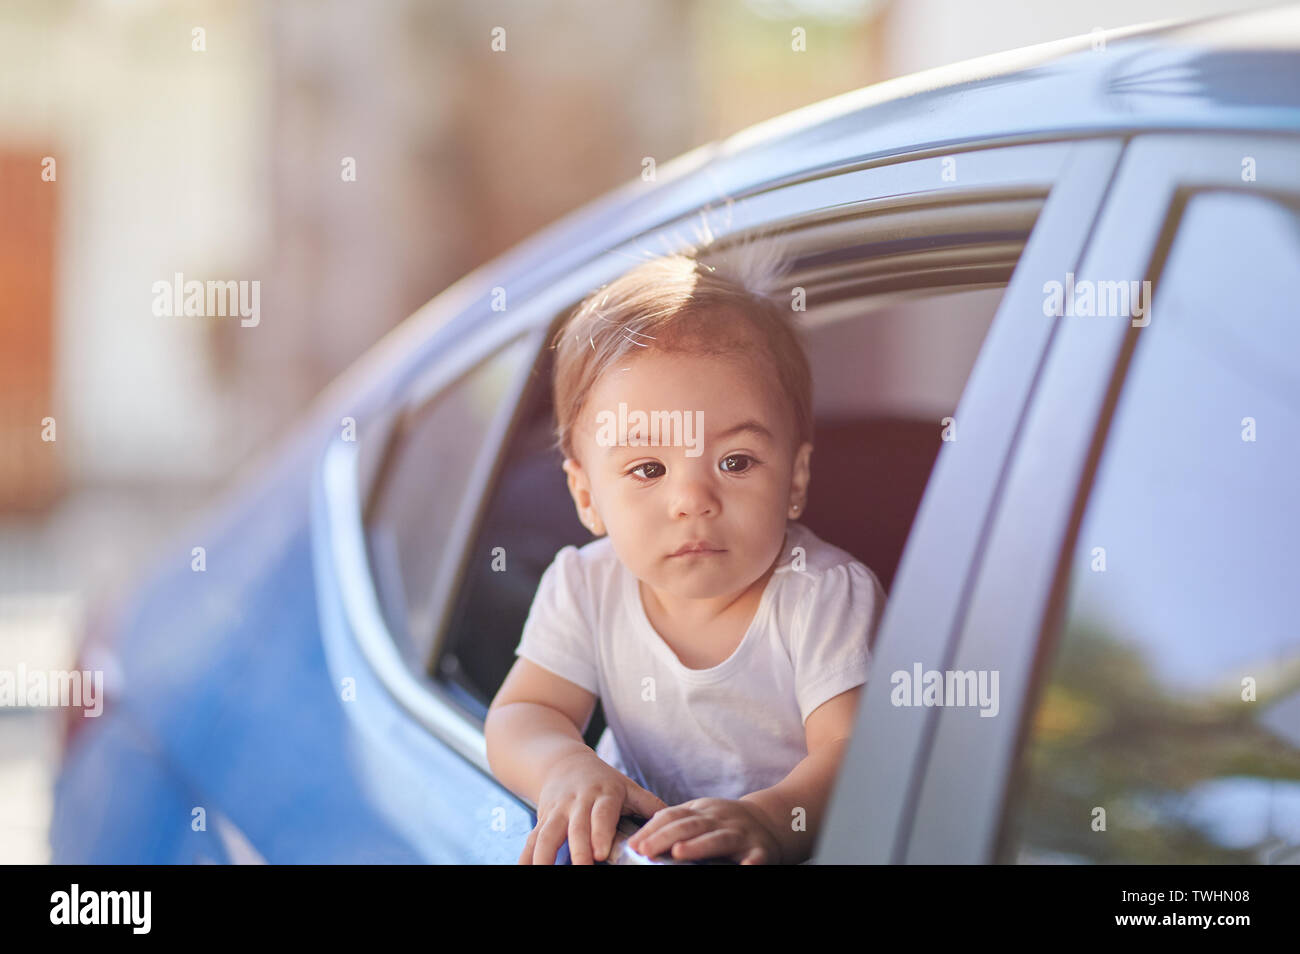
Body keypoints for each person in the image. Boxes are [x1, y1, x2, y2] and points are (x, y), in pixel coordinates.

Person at [484, 243, 886, 865]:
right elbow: (522, 712)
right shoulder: (585, 585)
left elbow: (854, 752)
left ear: (796, 479)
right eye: (648, 468)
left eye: (735, 461)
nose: (693, 500)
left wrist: (770, 819)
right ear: (588, 497)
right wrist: (563, 765)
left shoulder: (824, 594)